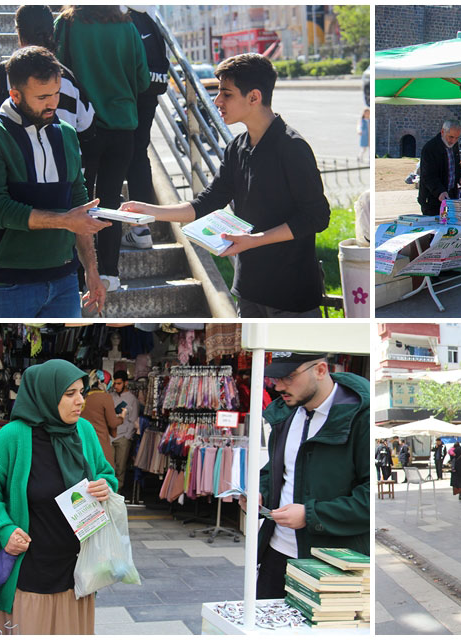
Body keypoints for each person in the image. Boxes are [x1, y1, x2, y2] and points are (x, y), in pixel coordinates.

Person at [121, 53, 332, 317]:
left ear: (254, 97)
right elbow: (208, 201)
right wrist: (151, 211)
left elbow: (317, 217)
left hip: (292, 295)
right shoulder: (237, 147)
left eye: (226, 94)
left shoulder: (292, 147)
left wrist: (254, 240)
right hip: (248, 290)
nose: (216, 101)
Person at [0, 359, 118, 634]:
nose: (80, 401)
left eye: (81, 392)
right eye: (69, 394)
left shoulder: (83, 431)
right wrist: (5, 529)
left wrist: (105, 486)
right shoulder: (13, 437)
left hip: (78, 571)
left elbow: (106, 473)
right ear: (46, 395)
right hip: (30, 573)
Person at [0, 46, 110, 317]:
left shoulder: (66, 133)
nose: (53, 103)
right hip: (8, 286)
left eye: (56, 93)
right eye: (42, 97)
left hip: (64, 283)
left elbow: (79, 206)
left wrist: (92, 270)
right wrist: (65, 220)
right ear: (14, 95)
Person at [250, 351, 370, 599]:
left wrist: (310, 514)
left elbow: (370, 500)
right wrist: (259, 493)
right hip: (276, 552)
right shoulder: (285, 413)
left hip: (332, 561)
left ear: (320, 370)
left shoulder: (362, 417)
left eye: (289, 377)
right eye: (275, 377)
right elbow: (278, 469)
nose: (278, 386)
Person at [53, 5, 149, 293]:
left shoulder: (67, 23)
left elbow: (55, 66)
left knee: (79, 202)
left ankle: (81, 275)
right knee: (110, 201)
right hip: (123, 126)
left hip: (83, 126)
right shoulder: (128, 26)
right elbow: (143, 79)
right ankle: (110, 274)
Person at [0, 5, 95, 137]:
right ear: (52, 32)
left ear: (19, 34)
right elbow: (86, 127)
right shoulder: (65, 76)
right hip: (60, 155)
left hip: (9, 156)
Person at [119, 6, 167, 252]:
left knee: (115, 153)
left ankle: (107, 227)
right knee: (138, 154)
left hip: (125, 89)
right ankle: (141, 229)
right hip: (150, 87)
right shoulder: (147, 12)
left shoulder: (115, 13)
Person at [416, 119, 461, 215]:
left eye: (457, 138)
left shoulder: (454, 145)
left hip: (451, 196)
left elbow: (455, 165)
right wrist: (440, 191)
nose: (453, 141)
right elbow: (428, 176)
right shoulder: (430, 148)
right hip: (433, 200)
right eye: (451, 137)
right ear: (442, 132)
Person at [81, 369, 123, 474]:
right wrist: (122, 417)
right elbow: (112, 423)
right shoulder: (105, 397)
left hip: (84, 442)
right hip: (100, 443)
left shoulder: (84, 397)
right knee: (104, 475)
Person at [108, 370, 140, 484]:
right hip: (110, 436)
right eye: (114, 383)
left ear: (126, 383)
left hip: (123, 438)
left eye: (119, 383)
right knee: (109, 467)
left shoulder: (132, 399)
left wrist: (127, 437)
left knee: (120, 468)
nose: (116, 386)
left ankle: (117, 493)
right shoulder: (110, 396)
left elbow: (134, 419)